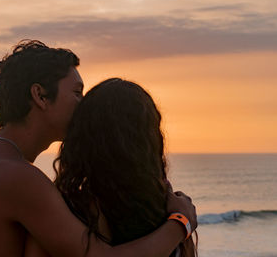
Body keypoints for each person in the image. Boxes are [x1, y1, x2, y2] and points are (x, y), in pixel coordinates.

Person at [0, 40, 197, 257]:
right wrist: (180, 222)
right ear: (40, 95)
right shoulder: (18, 178)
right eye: (76, 93)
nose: (83, 105)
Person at [25, 78, 197, 257]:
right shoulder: (172, 211)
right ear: (150, 140)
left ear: (82, 138)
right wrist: (181, 223)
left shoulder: (65, 211)